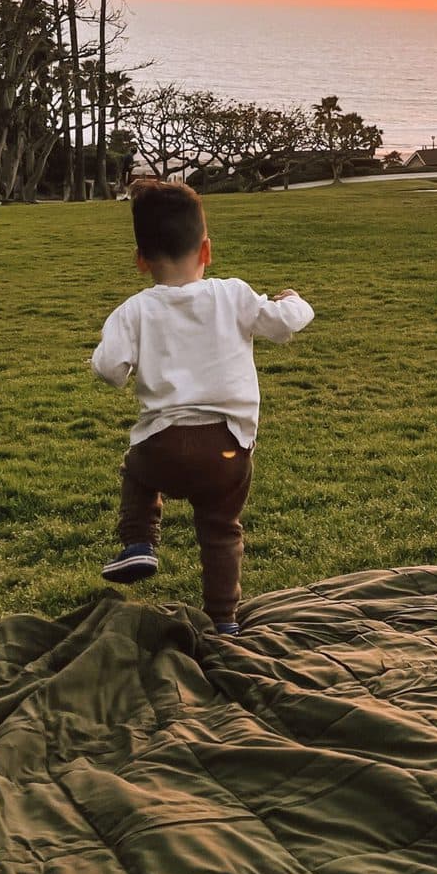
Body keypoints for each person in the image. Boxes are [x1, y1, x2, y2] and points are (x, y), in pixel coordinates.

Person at [92, 179, 314, 635]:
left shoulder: (133, 310)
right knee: (220, 528)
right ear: (207, 251)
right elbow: (282, 325)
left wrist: (99, 360)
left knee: (136, 470)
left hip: (163, 446)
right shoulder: (232, 294)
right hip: (228, 448)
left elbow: (112, 369)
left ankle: (138, 541)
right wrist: (294, 301)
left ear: (140, 260)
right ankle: (224, 619)